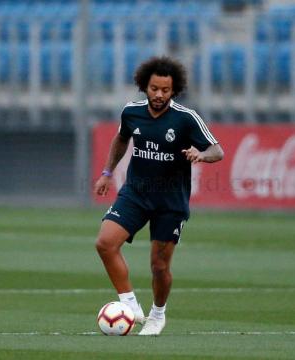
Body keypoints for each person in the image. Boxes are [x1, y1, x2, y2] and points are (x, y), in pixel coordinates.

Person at [93, 56, 224, 336]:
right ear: (145, 86)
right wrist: (107, 172)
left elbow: (217, 150)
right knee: (105, 243)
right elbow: (121, 139)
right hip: (136, 194)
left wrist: (200, 154)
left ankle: (157, 314)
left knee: (159, 265)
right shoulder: (131, 112)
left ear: (173, 90)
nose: (159, 95)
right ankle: (130, 305)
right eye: (154, 88)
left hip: (170, 202)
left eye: (165, 90)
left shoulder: (186, 118)